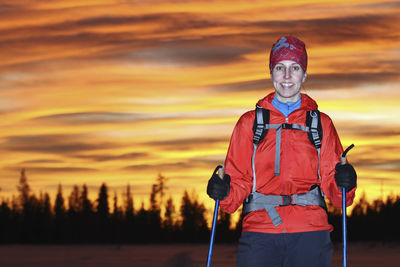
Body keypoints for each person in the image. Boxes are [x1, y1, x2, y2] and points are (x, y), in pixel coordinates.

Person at [207, 36, 357, 267]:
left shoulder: (321, 124)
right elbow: (238, 184)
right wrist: (222, 191)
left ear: (304, 74)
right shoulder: (250, 123)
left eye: (294, 68)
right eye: (280, 67)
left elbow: (338, 195)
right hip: (260, 233)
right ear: (271, 73)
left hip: (310, 233)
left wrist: (345, 182)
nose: (287, 76)